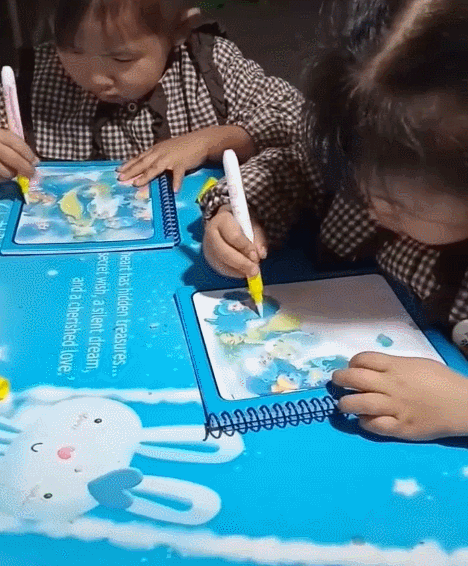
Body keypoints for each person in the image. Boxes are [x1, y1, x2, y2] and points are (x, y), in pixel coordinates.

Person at [201, 0, 468, 441]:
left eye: (399, 206)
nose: (369, 205)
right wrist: (240, 213)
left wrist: (459, 407)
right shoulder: (357, 156)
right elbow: (288, 168)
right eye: (357, 179)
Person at [0, 0, 304, 192]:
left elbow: (296, 119)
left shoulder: (210, 68)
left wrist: (212, 140)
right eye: (73, 51)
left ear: (179, 31)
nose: (94, 78)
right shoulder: (33, 80)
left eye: (121, 59)